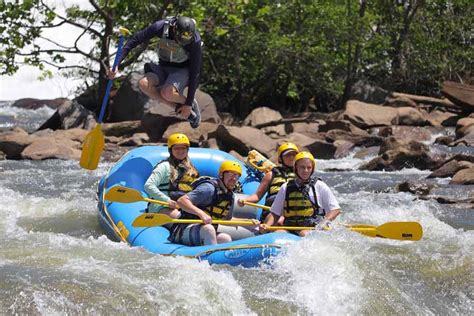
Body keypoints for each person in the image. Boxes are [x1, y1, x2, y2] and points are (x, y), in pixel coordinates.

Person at [108, 16, 202, 128]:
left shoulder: (195, 41)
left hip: (182, 70)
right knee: (143, 84)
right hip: (163, 66)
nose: (181, 43)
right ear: (174, 29)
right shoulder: (161, 27)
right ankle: (178, 107)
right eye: (179, 39)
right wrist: (116, 63)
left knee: (167, 92)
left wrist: (188, 103)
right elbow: (135, 40)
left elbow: (195, 72)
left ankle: (190, 104)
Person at [170, 160, 259, 246]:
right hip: (183, 230)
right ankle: (208, 260)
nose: (234, 178)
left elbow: (226, 220)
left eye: (237, 175)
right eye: (230, 174)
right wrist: (202, 214)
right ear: (221, 175)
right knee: (209, 229)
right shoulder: (208, 189)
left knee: (225, 238)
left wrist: (247, 222)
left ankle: (217, 260)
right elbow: (182, 201)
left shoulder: (229, 196)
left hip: (202, 232)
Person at [260, 151, 341, 237]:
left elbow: (335, 209)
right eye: (302, 167)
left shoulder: (319, 186)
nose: (306, 171)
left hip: (310, 228)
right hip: (290, 227)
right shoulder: (286, 187)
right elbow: (275, 213)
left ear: (312, 169)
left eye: (309, 168)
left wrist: (324, 223)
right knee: (277, 234)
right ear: (296, 168)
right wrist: (267, 225)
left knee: (303, 233)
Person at [238, 142, 299, 221]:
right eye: (287, 155)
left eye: (294, 155)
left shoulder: (300, 176)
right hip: (272, 211)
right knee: (280, 220)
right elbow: (257, 196)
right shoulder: (271, 175)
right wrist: (245, 200)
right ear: (280, 158)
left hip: (293, 213)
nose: (291, 157)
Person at [144, 133, 199, 219]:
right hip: (162, 206)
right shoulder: (164, 166)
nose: (180, 151)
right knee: (181, 217)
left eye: (183, 148)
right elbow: (148, 186)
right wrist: (167, 200)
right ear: (171, 150)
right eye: (176, 148)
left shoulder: (191, 169)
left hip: (184, 206)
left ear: (187, 149)